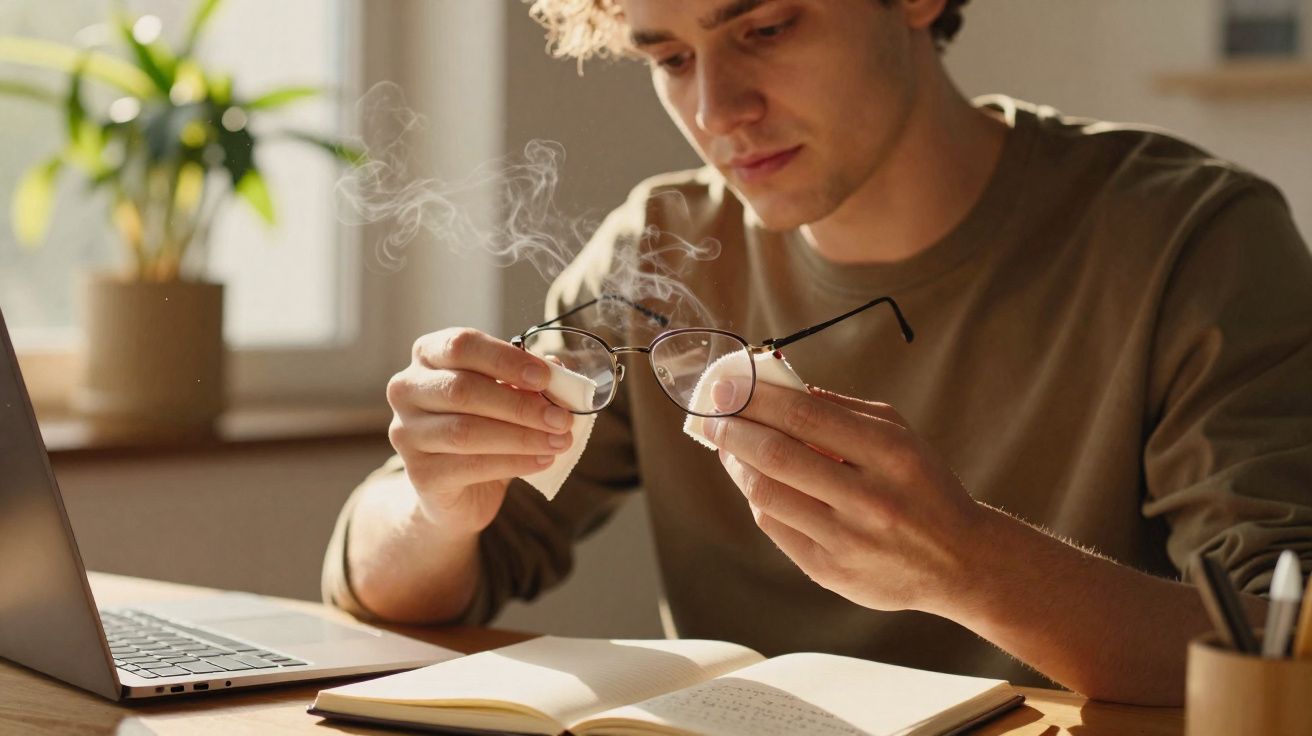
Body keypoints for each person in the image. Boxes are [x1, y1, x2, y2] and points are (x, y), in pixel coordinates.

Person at [322, 0, 1312, 706]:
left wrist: (968, 563)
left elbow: (1286, 647)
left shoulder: (1192, 238)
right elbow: (400, 586)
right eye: (667, 56)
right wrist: (433, 502)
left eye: (763, 28)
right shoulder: (654, 248)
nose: (716, 108)